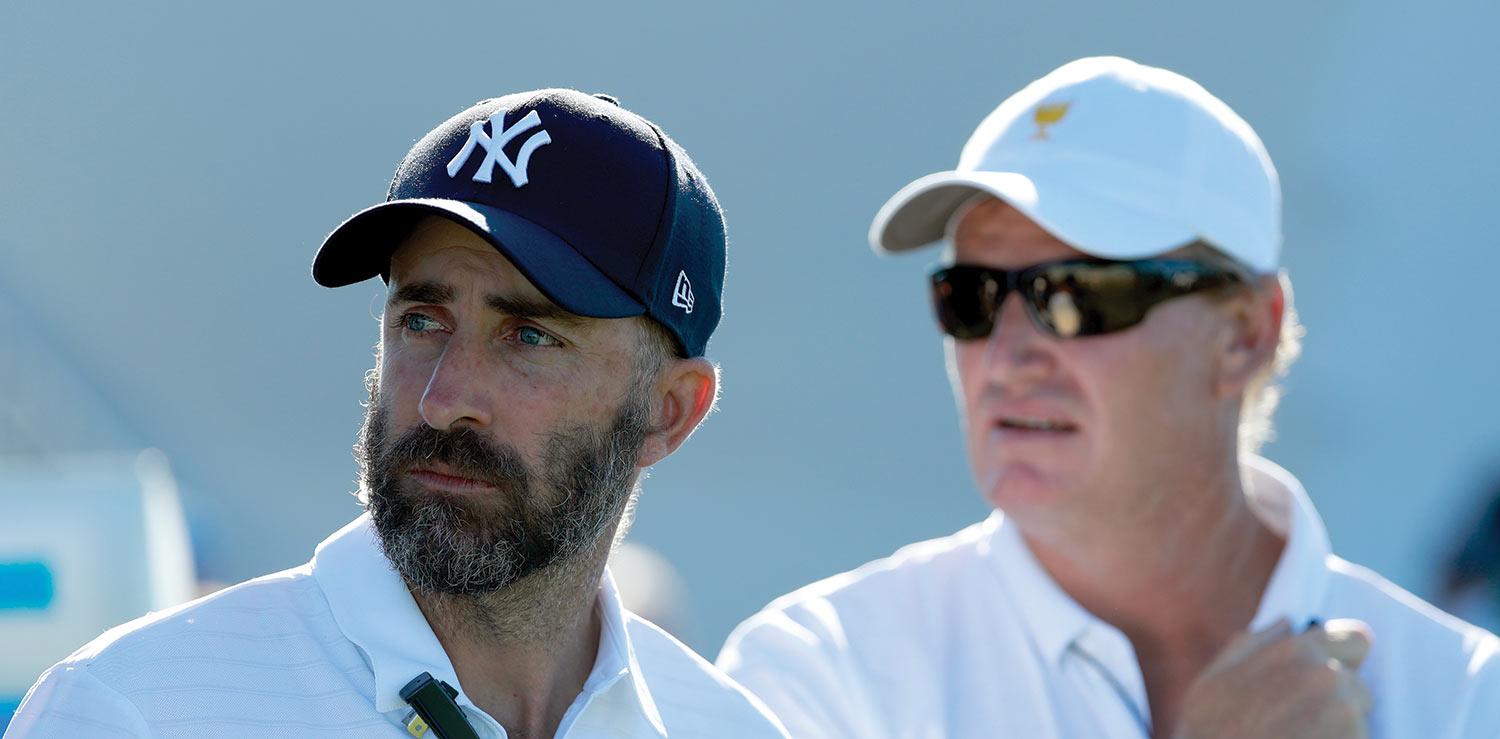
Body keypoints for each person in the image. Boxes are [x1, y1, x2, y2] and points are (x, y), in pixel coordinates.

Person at [718, 57, 1500, 738]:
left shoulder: (1470, 698)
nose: (1008, 353)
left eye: (1076, 295)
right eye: (973, 295)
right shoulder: (819, 668)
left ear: (1245, 333)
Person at [9, 90, 788, 738]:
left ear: (669, 411)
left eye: (529, 335)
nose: (443, 399)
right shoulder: (138, 711)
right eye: (422, 320)